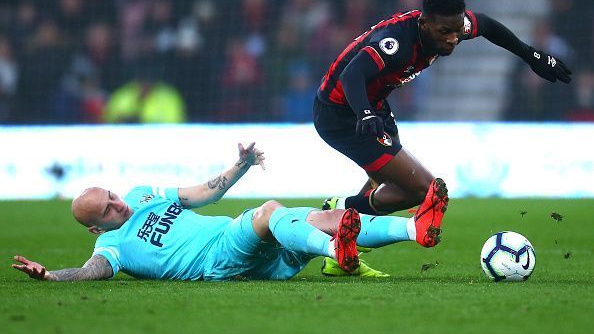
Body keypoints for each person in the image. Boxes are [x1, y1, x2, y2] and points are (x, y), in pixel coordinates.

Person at [314, 0, 572, 276]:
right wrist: (365, 112)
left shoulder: (451, 26)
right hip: (341, 113)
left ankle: (341, 229)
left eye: (457, 31)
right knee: (422, 190)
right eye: (444, 32)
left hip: (374, 106)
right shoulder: (395, 42)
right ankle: (337, 212)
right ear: (424, 23)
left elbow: (485, 23)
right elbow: (352, 75)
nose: (452, 39)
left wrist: (531, 56)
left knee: (390, 185)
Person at [12, 142, 448, 282]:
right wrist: (51, 276)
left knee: (321, 216)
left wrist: (239, 166)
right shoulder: (111, 248)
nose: (116, 203)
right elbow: (90, 274)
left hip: (245, 255)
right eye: (107, 209)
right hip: (217, 260)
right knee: (270, 211)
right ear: (95, 228)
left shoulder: (144, 193)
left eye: (111, 194)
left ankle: (416, 227)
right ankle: (338, 253)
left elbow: (204, 194)